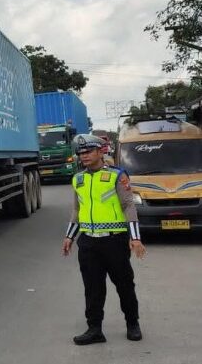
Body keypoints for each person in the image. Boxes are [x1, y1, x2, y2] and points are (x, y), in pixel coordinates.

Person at [62, 134, 146, 345]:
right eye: (81, 153)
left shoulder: (117, 175)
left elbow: (129, 205)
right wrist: (69, 236)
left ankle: (132, 324)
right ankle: (94, 329)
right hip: (88, 243)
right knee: (92, 288)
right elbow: (77, 209)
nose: (84, 156)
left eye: (88, 151)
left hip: (114, 242)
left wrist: (135, 238)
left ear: (101, 151)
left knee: (124, 285)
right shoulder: (78, 179)